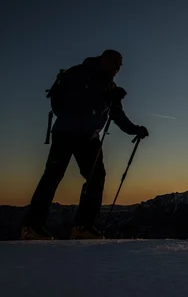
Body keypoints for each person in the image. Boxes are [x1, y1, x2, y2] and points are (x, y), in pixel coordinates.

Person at [20, 49, 149, 240]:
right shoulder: (81, 73)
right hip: (67, 132)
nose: (118, 68)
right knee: (54, 176)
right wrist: (106, 97)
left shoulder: (110, 86)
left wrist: (135, 129)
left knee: (94, 177)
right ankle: (33, 227)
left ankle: (82, 226)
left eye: (120, 65)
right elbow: (79, 101)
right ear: (104, 59)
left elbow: (117, 115)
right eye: (116, 63)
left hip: (88, 136)